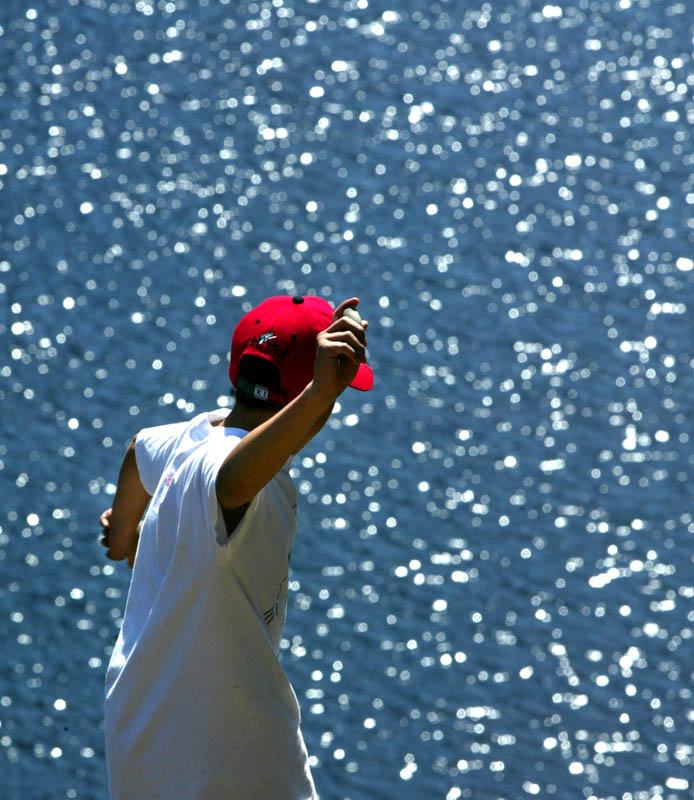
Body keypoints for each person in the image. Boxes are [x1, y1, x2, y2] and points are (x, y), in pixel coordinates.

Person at [98, 295, 373, 800]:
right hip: (222, 765)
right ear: (300, 400)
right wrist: (318, 396)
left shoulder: (192, 438)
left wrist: (125, 537)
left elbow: (139, 450)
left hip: (140, 740)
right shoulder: (239, 476)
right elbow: (228, 483)